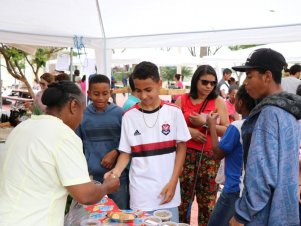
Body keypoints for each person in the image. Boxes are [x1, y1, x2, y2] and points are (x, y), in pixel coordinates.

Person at [0, 81, 120, 226]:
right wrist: (107, 186)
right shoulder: (63, 135)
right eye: (82, 112)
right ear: (73, 105)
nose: (81, 118)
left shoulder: (23, 127)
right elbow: (85, 195)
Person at [104, 61, 191, 222]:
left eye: (148, 90)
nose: (143, 96)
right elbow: (126, 152)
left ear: (159, 84)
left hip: (168, 191)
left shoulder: (174, 113)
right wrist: (115, 173)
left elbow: (181, 148)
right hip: (140, 193)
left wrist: (173, 182)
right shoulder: (129, 116)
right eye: (138, 90)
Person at [231, 48, 301, 225]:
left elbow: (261, 176)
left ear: (267, 76)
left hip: (263, 215)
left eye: (249, 76)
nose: (245, 83)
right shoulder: (289, 110)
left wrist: (241, 215)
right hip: (285, 211)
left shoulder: (269, 114)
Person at [175, 65, 229, 225]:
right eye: (204, 82)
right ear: (195, 80)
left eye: (212, 83)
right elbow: (170, 126)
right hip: (184, 156)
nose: (208, 86)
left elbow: (227, 130)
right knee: (182, 202)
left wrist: (206, 122)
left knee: (207, 204)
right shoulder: (182, 99)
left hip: (209, 158)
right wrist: (190, 131)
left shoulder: (218, 101)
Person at [76, 74, 129, 209]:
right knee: (95, 215)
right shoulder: (82, 115)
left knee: (120, 213)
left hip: (118, 176)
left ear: (110, 93)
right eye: (96, 94)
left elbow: (128, 142)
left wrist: (116, 151)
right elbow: (77, 145)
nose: (100, 98)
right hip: (92, 178)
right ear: (88, 94)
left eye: (105, 94)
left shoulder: (120, 113)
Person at [207, 85, 256, 226]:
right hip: (248, 188)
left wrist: (211, 125)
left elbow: (217, 154)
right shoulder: (259, 124)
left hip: (233, 188)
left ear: (240, 102)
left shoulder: (237, 126)